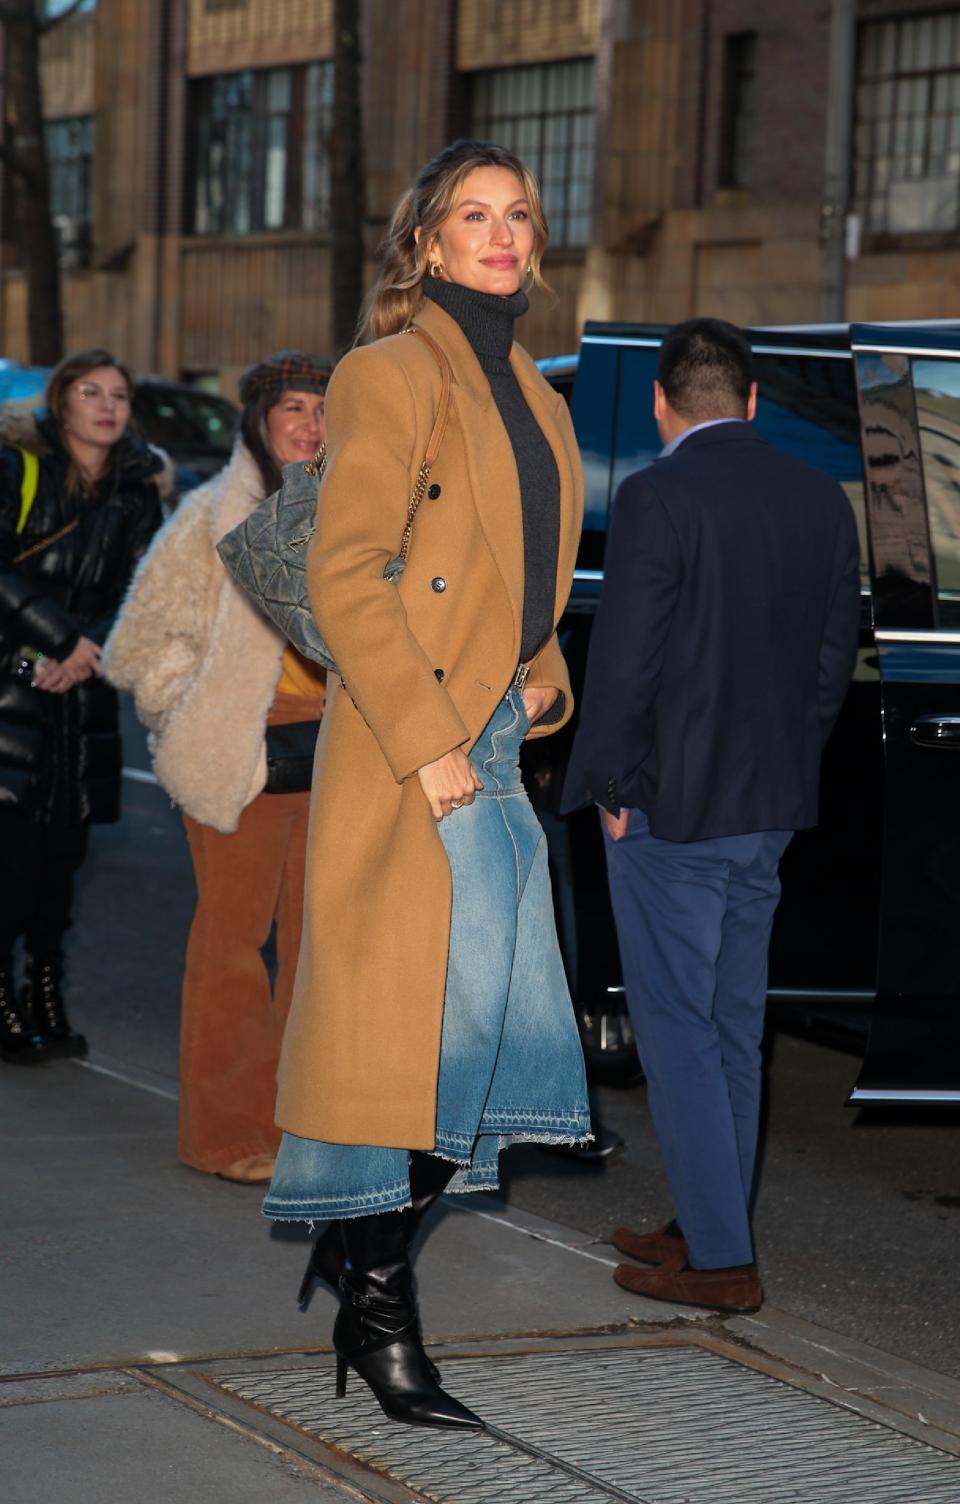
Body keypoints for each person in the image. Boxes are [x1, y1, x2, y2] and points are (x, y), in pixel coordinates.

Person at [265, 139, 590, 1430]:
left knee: (486, 1051)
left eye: (518, 214)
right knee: (425, 1052)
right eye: (475, 215)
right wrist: (433, 741)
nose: (502, 235)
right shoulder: (388, 373)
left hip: (498, 730)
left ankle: (359, 1260)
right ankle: (381, 1309)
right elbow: (351, 573)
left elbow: (510, 557)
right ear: (428, 244)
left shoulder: (537, 392)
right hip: (419, 750)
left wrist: (547, 660)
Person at [562, 317, 860, 1314]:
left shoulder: (657, 495)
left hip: (670, 812)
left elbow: (628, 658)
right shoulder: (820, 498)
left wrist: (607, 783)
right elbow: (831, 665)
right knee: (734, 1026)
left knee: (680, 1029)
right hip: (766, 806)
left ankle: (724, 1258)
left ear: (660, 403)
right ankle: (706, 1217)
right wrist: (781, 765)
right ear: (753, 399)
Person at [104, 353, 330, 1184]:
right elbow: (139, 644)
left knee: (323, 950)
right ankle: (228, 1133)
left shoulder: (359, 513)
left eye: (320, 408)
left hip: (342, 753)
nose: (308, 424)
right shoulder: (209, 516)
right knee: (235, 944)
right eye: (291, 409)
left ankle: (308, 1130)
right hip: (244, 745)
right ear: (258, 424)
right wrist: (192, 709)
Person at [0, 349, 171, 1065]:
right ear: (62, 404)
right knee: (10, 855)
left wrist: (84, 652)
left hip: (81, 694)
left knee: (62, 857)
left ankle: (45, 990)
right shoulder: (18, 469)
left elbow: (143, 588)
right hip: (11, 686)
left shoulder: (138, 494)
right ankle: (4, 1001)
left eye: (121, 396)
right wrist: (59, 637)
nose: (107, 406)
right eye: (90, 392)